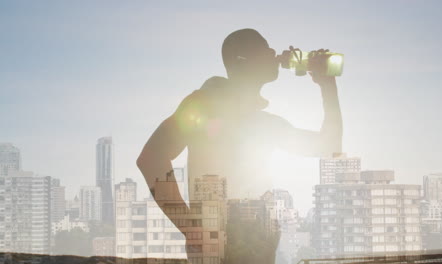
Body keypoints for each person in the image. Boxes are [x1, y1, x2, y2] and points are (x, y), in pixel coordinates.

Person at [137, 28, 343, 264]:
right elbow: (151, 158)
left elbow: (329, 146)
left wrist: (327, 85)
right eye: (264, 49)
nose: (274, 53)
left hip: (254, 245)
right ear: (242, 61)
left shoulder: (263, 122)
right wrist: (189, 227)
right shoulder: (203, 105)